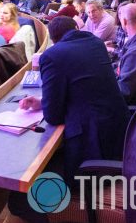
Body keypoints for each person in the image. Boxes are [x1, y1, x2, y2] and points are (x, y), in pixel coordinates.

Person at [17, 17, 129, 180]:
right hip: (118, 132)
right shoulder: (96, 44)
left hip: (94, 149)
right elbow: (85, 88)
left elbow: (53, 116)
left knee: (30, 187)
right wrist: (42, 103)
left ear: (54, 40)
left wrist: (48, 104)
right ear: (76, 28)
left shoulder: (52, 55)